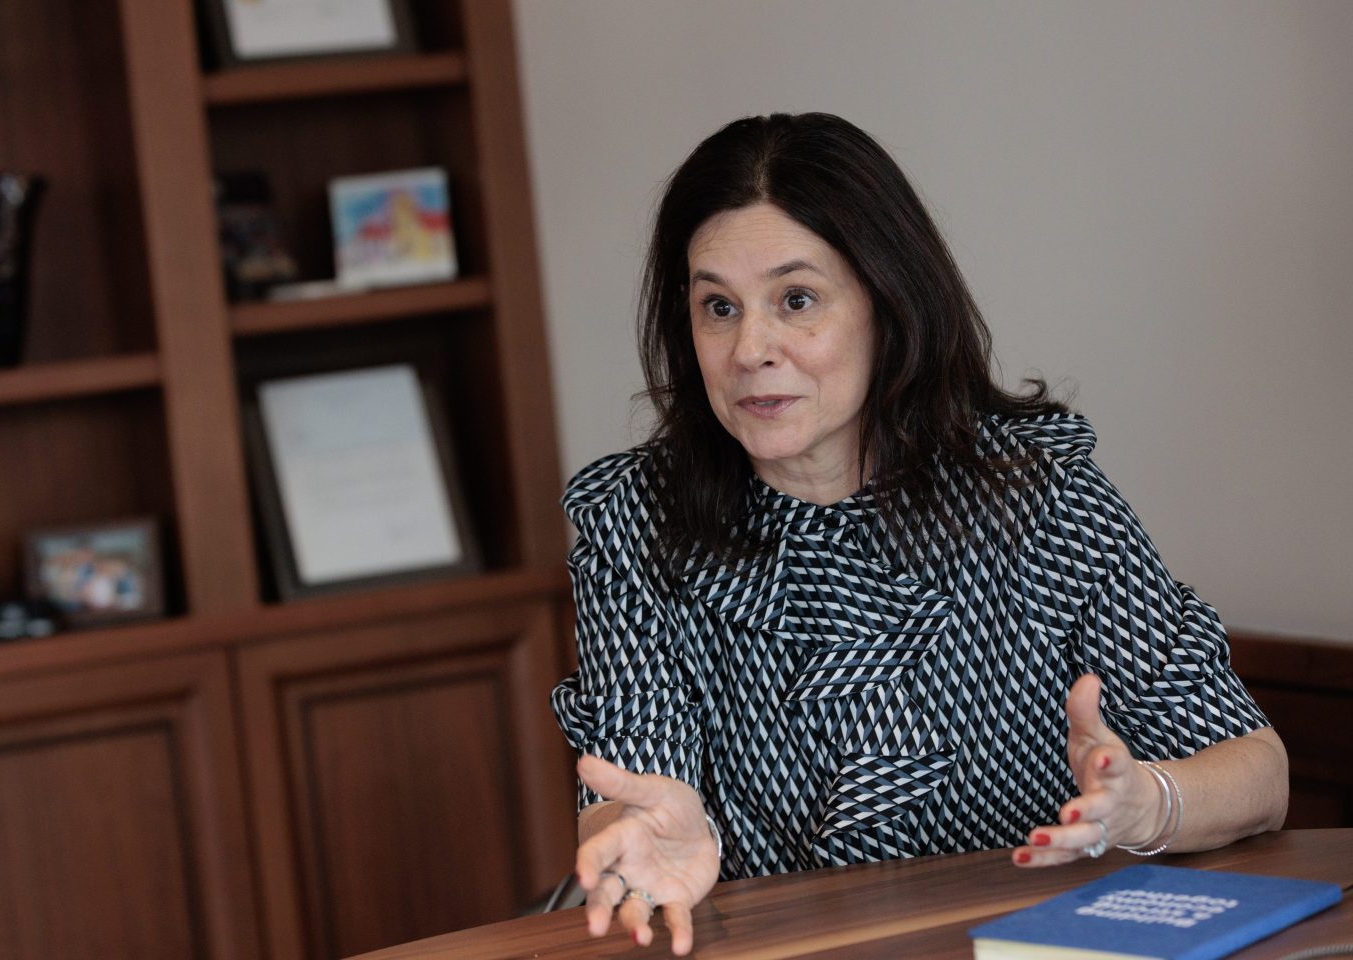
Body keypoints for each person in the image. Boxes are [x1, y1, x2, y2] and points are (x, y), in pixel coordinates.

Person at [549, 112, 1288, 956]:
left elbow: (1260, 775)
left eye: (797, 300)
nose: (750, 348)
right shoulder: (636, 526)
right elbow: (633, 772)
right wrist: (640, 827)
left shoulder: (1036, 496)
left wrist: (1145, 805)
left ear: (886, 303)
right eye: (718, 306)